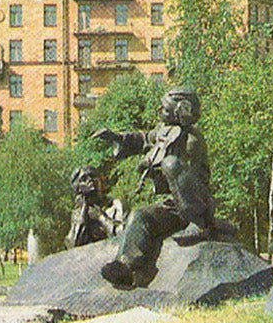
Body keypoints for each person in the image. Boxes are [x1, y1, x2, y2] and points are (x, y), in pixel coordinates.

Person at [93, 88, 219, 290]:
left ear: (180, 111)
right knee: (139, 216)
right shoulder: (164, 131)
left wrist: (159, 165)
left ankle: (200, 225)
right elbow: (143, 139)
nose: (160, 110)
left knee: (171, 164)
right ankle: (125, 266)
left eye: (166, 108)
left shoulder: (192, 141)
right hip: (172, 207)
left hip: (195, 205)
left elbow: (190, 178)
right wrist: (118, 138)